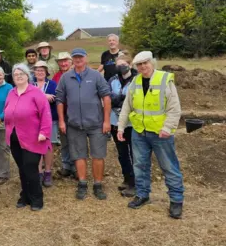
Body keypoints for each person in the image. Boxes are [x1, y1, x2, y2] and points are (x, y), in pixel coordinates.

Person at [117, 51, 184, 219]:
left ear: (152, 63)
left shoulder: (164, 80)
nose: (142, 67)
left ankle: (176, 200)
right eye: (139, 65)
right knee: (140, 165)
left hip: (161, 134)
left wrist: (167, 128)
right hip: (139, 132)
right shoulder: (135, 82)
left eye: (145, 63)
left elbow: (174, 108)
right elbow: (127, 107)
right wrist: (120, 127)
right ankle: (142, 194)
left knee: (169, 167)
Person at [55, 48, 111, 200]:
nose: (78, 60)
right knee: (79, 156)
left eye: (81, 57)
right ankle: (82, 183)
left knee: (98, 155)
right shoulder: (66, 77)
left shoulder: (96, 76)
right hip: (74, 124)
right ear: (72, 60)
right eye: (75, 57)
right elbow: (59, 100)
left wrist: (107, 121)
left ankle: (98, 184)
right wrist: (61, 121)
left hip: (96, 124)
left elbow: (106, 97)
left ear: (86, 58)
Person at [4, 63, 52, 211]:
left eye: (21, 74)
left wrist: (44, 132)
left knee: (31, 167)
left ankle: (37, 198)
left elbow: (45, 113)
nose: (18, 77)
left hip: (33, 138)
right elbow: (6, 110)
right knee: (22, 168)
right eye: (15, 75)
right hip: (14, 136)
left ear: (27, 76)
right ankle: (25, 195)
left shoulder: (36, 93)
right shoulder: (11, 93)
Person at [109, 54, 137, 197]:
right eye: (118, 65)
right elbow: (108, 97)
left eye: (124, 64)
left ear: (130, 64)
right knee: (122, 154)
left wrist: (119, 100)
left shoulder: (137, 80)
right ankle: (127, 179)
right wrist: (123, 99)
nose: (121, 67)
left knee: (134, 153)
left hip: (132, 124)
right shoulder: (112, 80)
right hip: (115, 122)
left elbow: (134, 100)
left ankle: (135, 183)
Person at [33, 61, 58, 187]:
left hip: (50, 119)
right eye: (37, 70)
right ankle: (39, 172)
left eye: (42, 70)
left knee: (48, 146)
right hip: (34, 120)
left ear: (46, 72)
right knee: (37, 145)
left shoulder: (52, 84)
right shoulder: (31, 84)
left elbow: (54, 98)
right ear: (34, 72)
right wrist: (43, 95)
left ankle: (48, 171)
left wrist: (39, 96)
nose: (40, 72)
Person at [52, 52, 76, 178]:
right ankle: (67, 165)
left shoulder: (77, 74)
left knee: (76, 140)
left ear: (71, 61)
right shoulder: (56, 77)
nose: (63, 63)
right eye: (60, 61)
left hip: (76, 113)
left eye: (65, 60)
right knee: (65, 140)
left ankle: (77, 166)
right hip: (62, 112)